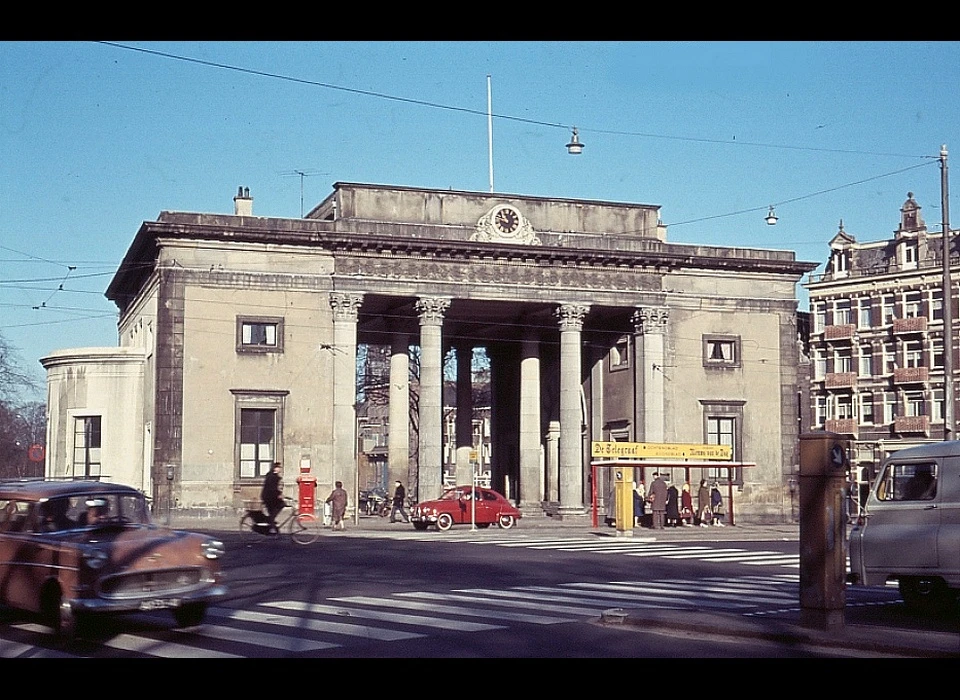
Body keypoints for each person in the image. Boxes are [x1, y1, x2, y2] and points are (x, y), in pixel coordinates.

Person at [261, 462, 285, 534]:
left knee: (274, 511)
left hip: (270, 496)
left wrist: (279, 494)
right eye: (278, 467)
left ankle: (272, 524)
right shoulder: (272, 477)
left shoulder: (273, 476)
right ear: (275, 468)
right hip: (269, 497)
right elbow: (272, 488)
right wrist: (279, 494)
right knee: (278, 507)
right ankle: (271, 525)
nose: (279, 469)